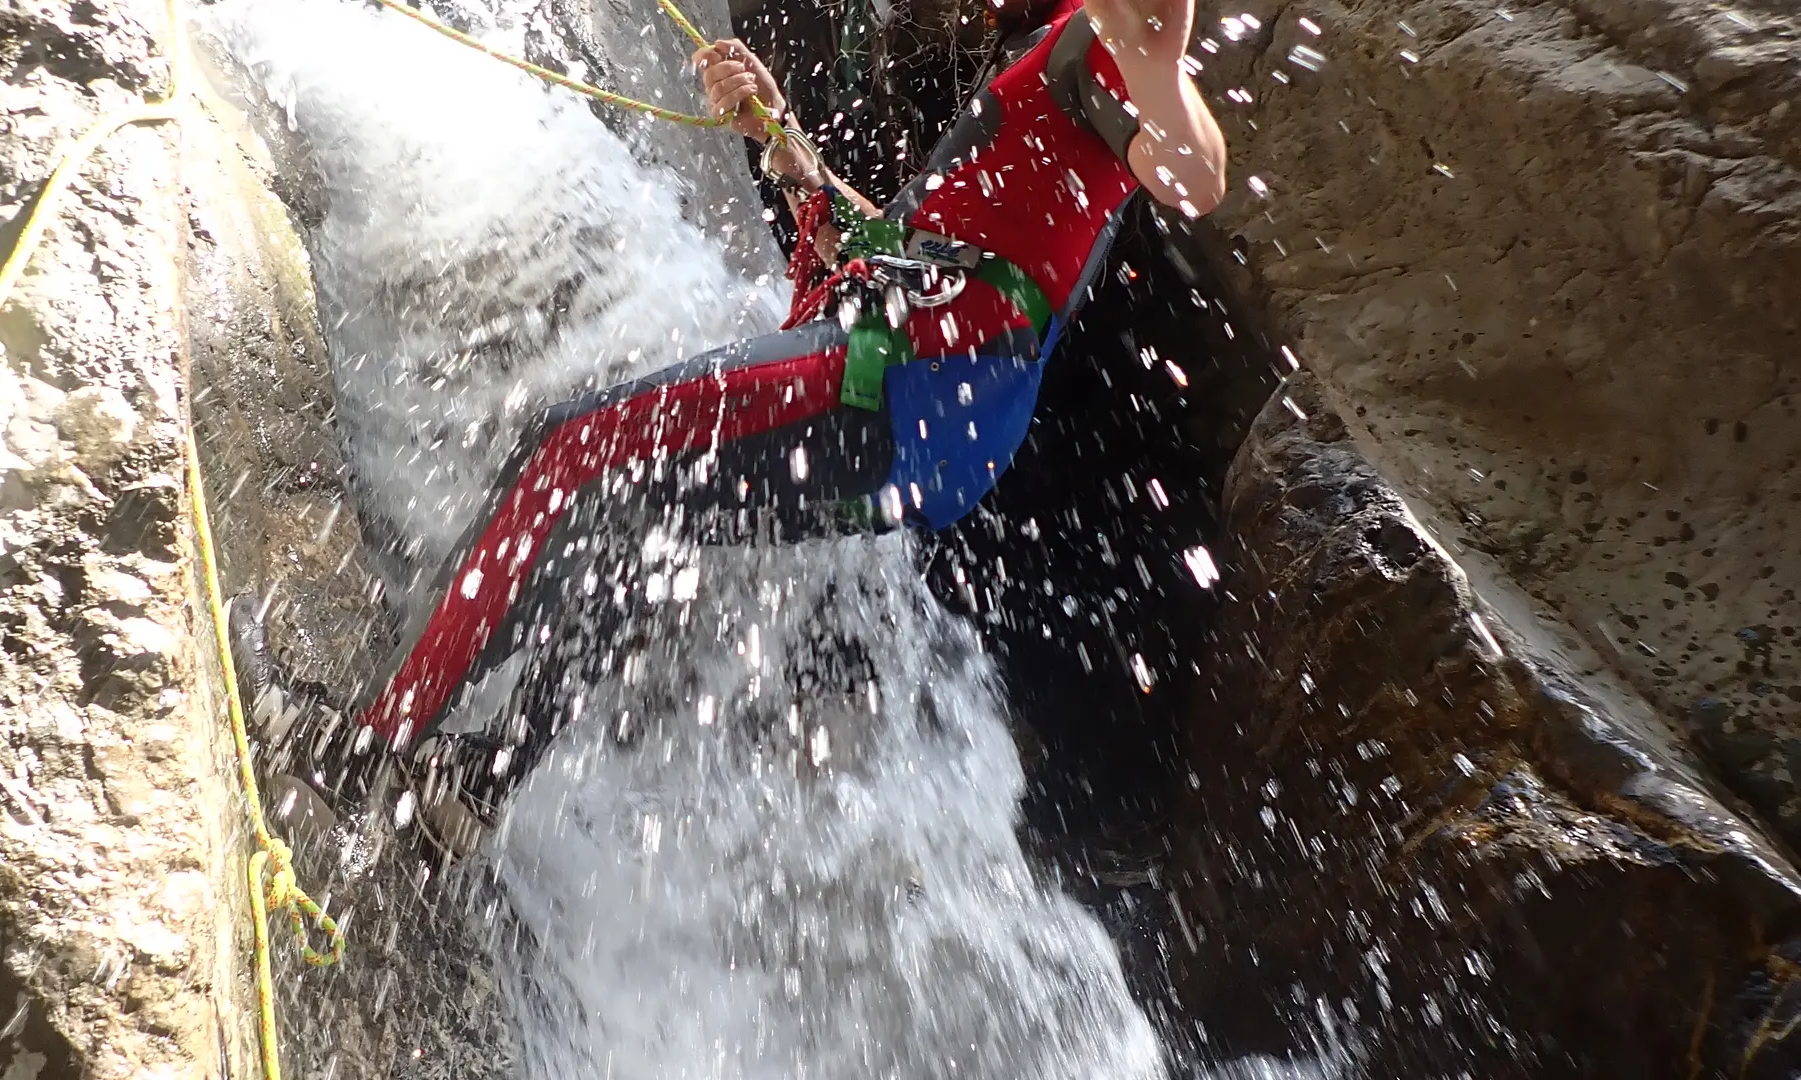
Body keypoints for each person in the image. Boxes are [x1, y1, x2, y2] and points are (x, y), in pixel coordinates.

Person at [237, 0, 1227, 845]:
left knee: (571, 455)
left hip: (896, 384)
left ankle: (371, 750)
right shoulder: (1053, 57)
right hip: (928, 417)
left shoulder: (1102, 47)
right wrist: (784, 144)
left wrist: (1156, 62)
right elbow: (917, 254)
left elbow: (1195, 175)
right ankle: (478, 787)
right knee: (639, 514)